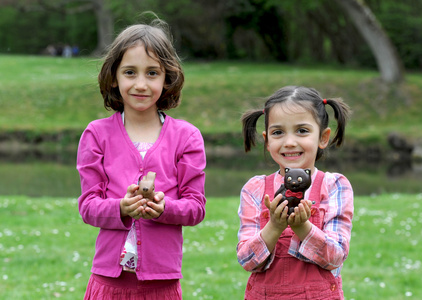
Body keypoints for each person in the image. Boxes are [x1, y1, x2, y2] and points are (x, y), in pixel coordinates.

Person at [76, 17, 206, 300]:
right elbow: (88, 206)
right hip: (108, 283)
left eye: (152, 73)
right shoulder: (96, 134)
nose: (141, 84)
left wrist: (164, 208)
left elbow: (196, 207)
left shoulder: (187, 136)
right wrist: (121, 208)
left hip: (162, 284)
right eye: (130, 72)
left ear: (167, 78)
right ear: (114, 77)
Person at [237, 86, 354, 299]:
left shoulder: (335, 185)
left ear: (323, 137)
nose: (289, 142)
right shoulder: (255, 189)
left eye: (302, 130)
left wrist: (303, 227)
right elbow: (247, 261)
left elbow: (336, 257)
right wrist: (274, 226)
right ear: (267, 140)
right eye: (278, 132)